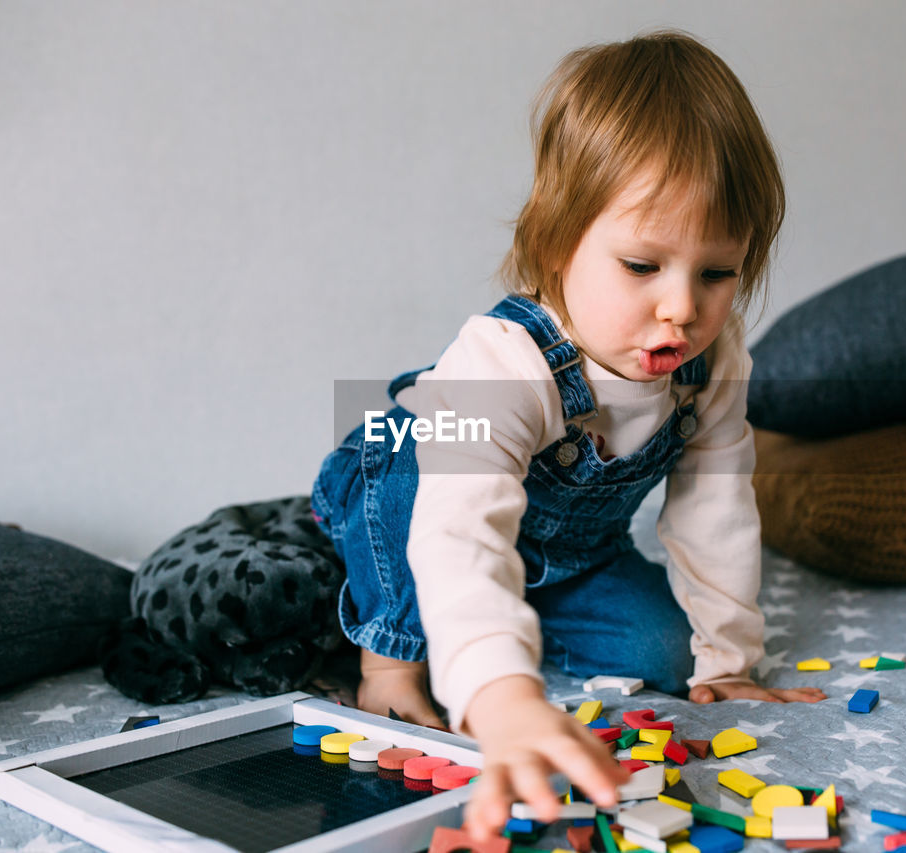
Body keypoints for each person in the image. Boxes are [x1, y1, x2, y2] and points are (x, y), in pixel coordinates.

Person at [310, 27, 825, 839]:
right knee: (422, 473)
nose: (682, 308)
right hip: (413, 494)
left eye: (717, 272)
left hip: (564, 552)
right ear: (557, 244)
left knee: (667, 653)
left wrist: (729, 662)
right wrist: (501, 692)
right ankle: (390, 643)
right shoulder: (503, 361)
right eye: (643, 266)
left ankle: (500, 613)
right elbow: (458, 529)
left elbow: (713, 509)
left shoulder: (712, 361)